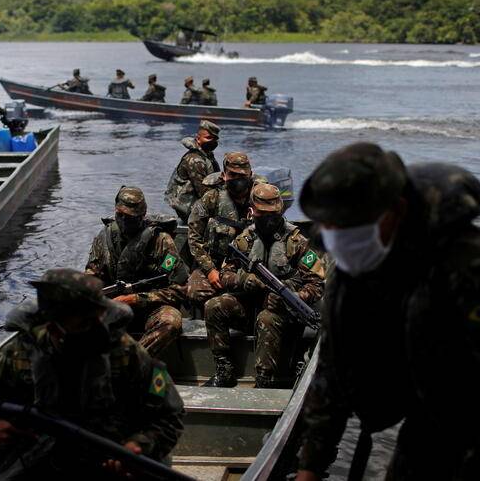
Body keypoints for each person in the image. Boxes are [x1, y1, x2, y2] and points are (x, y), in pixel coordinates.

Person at [293, 143, 480, 480]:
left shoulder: (475, 266)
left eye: (354, 230)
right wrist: (310, 468)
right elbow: (332, 375)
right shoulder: (353, 271)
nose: (341, 242)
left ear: (396, 212)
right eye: (331, 230)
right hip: (434, 402)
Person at [0, 268, 185, 480]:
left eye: (97, 319)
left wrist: (138, 445)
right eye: (84, 324)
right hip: (41, 459)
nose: (97, 330)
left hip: (110, 457)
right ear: (54, 329)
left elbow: (169, 416)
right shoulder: (17, 356)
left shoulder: (124, 352)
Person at [204, 184, 326, 388]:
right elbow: (225, 274)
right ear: (252, 211)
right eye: (263, 214)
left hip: (285, 313)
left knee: (266, 318)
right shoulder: (245, 240)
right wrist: (243, 280)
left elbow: (316, 285)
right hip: (251, 304)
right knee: (214, 306)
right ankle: (224, 368)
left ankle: (264, 380)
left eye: (273, 214)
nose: (268, 219)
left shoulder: (297, 242)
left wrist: (296, 297)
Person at [85, 186, 189, 356]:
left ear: (142, 216)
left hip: (151, 307)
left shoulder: (161, 241)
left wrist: (136, 299)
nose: (124, 221)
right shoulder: (104, 238)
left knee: (171, 322)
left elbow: (181, 290)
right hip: (116, 307)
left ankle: (134, 363)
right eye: (120, 215)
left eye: (130, 217)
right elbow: (92, 276)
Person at [186, 152, 265, 309]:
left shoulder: (261, 198)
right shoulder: (211, 198)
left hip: (250, 265)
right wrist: (209, 270)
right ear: (223, 175)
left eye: (242, 175)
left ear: (251, 174)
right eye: (233, 174)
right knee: (195, 292)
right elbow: (194, 237)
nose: (238, 179)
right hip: (216, 262)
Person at [164, 120, 220, 222]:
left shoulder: (207, 155)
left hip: (194, 201)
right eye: (208, 138)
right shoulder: (195, 160)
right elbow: (203, 191)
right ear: (198, 139)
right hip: (187, 205)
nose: (212, 141)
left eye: (215, 139)